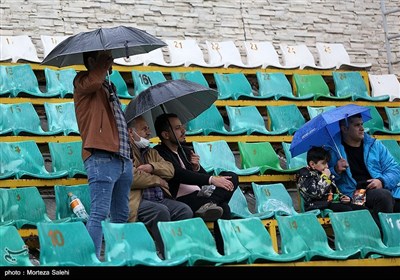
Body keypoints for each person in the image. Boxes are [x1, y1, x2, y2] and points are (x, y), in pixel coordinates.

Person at [73, 50, 133, 258]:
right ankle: (91, 260)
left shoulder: (109, 87)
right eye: (105, 58)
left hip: (122, 158)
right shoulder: (82, 80)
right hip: (101, 157)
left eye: (110, 58)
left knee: (121, 214)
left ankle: (117, 257)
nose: (111, 61)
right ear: (91, 61)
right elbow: (92, 83)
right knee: (99, 213)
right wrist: (101, 68)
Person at [153, 113, 238, 253]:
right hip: (182, 200)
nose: (183, 131)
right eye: (178, 128)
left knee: (231, 177)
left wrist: (196, 167)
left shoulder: (186, 151)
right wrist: (211, 179)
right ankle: (224, 251)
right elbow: (178, 174)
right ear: (166, 135)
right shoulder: (158, 153)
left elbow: (203, 177)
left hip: (200, 195)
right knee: (224, 208)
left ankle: (210, 205)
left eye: (182, 127)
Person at [127, 115, 193, 257]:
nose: (149, 133)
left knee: (184, 210)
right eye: (144, 129)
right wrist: (157, 180)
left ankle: (181, 253)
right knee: (160, 211)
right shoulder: (126, 152)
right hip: (137, 202)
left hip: (159, 199)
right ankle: (166, 255)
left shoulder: (152, 152)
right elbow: (131, 178)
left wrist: (151, 167)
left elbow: (170, 170)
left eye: (148, 129)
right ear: (131, 133)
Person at [327, 113, 400, 227]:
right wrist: (336, 170)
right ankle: (380, 237)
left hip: (378, 188)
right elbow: (323, 177)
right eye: (357, 125)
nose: (362, 128)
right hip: (352, 194)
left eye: (362, 124)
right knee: (383, 197)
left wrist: (382, 181)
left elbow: (394, 170)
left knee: (387, 196)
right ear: (345, 129)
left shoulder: (374, 145)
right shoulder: (332, 150)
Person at [297, 146, 366, 212]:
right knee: (346, 210)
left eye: (327, 163)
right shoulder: (306, 175)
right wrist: (325, 178)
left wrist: (344, 198)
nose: (327, 166)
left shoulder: (323, 172)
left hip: (331, 202)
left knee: (363, 209)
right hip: (317, 205)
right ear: (312, 164)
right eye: (323, 163)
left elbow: (334, 191)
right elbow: (315, 194)